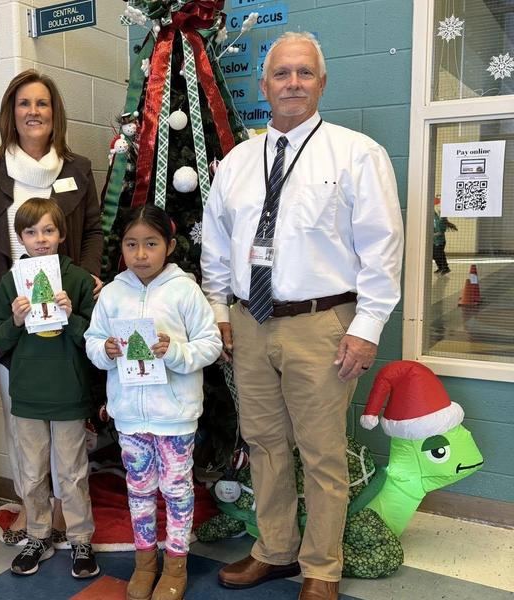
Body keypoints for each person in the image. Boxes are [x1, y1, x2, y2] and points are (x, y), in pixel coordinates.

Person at [201, 32, 404, 600]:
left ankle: (322, 566)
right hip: (249, 322)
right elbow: (217, 245)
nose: (292, 83)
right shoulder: (238, 162)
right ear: (264, 86)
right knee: (264, 444)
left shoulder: (357, 154)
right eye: (282, 74)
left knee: (322, 452)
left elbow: (383, 248)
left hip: (323, 324)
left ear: (322, 82)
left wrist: (366, 330)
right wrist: (219, 309)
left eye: (304, 74)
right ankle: (275, 549)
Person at [0, 69, 103, 541]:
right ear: (12, 113)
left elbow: (92, 233)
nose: (33, 112)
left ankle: (68, 506)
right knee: (18, 412)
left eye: (42, 103)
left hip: (65, 315)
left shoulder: (77, 168)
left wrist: (83, 282)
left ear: (54, 112)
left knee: (67, 416)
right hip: (16, 313)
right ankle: (34, 508)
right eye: (24, 103)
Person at [85, 206, 221, 600]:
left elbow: (210, 344)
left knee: (177, 491)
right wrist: (106, 350)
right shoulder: (111, 294)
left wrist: (175, 352)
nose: (141, 254)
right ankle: (145, 562)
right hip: (130, 417)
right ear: (121, 248)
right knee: (139, 490)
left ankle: (176, 564)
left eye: (150, 244)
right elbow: (93, 341)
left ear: (170, 246)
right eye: (131, 245)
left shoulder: (185, 291)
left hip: (174, 417)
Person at [0, 197, 98, 579]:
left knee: (72, 472)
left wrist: (71, 317)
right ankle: (38, 534)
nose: (40, 239)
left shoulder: (79, 280)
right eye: (31, 232)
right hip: (28, 394)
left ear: (61, 234)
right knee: (33, 473)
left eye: (48, 230)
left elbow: (95, 342)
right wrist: (16, 321)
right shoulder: (10, 283)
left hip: (68, 392)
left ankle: (80, 537)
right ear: (20, 238)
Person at [433, 204, 457, 275]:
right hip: (434, 241)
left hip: (440, 242)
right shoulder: (435, 218)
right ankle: (440, 267)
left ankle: (446, 268)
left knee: (439, 254)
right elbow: (433, 211)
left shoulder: (442, 221)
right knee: (434, 255)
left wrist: (431, 234)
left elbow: (440, 233)